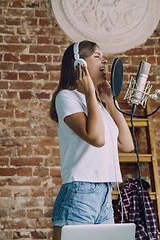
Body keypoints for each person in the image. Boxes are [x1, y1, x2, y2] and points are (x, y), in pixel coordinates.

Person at [49, 40, 134, 240]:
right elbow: (96, 138)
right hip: (80, 192)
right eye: (97, 56)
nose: (104, 59)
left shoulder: (98, 104)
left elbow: (127, 145)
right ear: (80, 64)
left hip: (105, 193)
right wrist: (88, 92)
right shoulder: (66, 97)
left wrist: (110, 103)